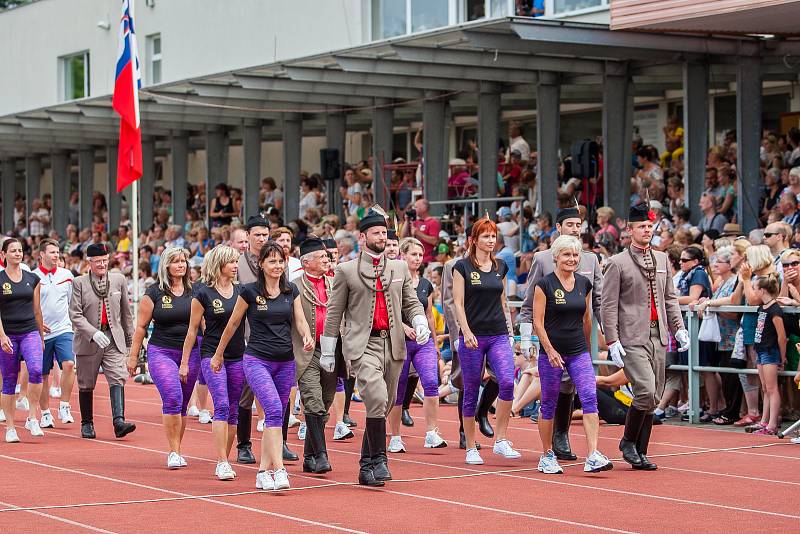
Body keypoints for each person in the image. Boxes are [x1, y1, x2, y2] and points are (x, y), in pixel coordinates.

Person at [321, 211, 429, 487]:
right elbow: (334, 314)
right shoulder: (345, 270)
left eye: (385, 233)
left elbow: (410, 302)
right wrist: (328, 348)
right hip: (362, 345)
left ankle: (365, 465)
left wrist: (419, 319)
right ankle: (380, 459)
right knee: (377, 397)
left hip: (393, 344)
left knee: (385, 403)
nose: (382, 237)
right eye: (377, 233)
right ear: (362, 237)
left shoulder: (399, 268)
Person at [213, 242, 314, 490]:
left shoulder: (291, 291)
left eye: (281, 261)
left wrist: (306, 336)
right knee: (274, 412)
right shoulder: (248, 292)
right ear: (261, 264)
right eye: (272, 261)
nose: (277, 266)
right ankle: (279, 470)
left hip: (285, 362)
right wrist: (218, 355)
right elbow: (233, 325)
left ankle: (262, 472)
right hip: (257, 359)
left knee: (275, 418)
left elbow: (299, 320)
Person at [601, 202, 687, 470]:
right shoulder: (617, 263)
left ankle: (641, 449)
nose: (647, 230)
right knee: (646, 389)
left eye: (650, 226)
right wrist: (612, 340)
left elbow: (669, 299)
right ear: (630, 230)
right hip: (631, 336)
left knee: (655, 394)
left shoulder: (661, 259)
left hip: (658, 335)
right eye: (642, 227)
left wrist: (679, 327)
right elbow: (608, 304)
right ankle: (628, 441)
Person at [518, 206, 603, 462]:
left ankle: (587, 450)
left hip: (578, 345)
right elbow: (532, 307)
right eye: (570, 224)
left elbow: (594, 306)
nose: (576, 229)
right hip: (551, 346)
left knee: (585, 394)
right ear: (559, 228)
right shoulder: (543, 262)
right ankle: (550, 448)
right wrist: (526, 336)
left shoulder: (591, 262)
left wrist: (604, 339)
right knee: (552, 399)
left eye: (579, 225)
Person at [533, 235, 612, 474]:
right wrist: (549, 350)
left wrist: (587, 349)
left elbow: (586, 319)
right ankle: (547, 454)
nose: (572, 259)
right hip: (552, 353)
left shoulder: (583, 284)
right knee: (549, 403)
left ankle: (593, 455)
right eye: (567, 254)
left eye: (575, 255)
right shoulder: (544, 285)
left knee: (589, 397)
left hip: (578, 351)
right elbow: (538, 322)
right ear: (556, 257)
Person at [452, 217, 520, 465]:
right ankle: (471, 446)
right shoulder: (462, 267)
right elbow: (458, 303)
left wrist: (511, 332)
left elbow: (503, 302)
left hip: (498, 334)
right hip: (472, 337)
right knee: (470, 390)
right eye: (486, 236)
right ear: (474, 240)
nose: (491, 240)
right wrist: (466, 331)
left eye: (493, 236)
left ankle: (501, 439)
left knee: (507, 381)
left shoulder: (501, 266)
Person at [127, 247, 199, 468]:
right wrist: (133, 357)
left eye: (184, 261)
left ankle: (178, 446)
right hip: (161, 351)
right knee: (173, 397)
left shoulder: (195, 292)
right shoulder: (154, 292)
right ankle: (173, 451)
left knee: (183, 404)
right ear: (166, 265)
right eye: (176, 261)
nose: (181, 265)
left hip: (190, 352)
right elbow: (140, 327)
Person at [182, 245, 245, 481]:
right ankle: (221, 461)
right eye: (231, 262)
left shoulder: (242, 290)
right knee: (221, 405)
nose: (236, 266)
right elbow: (191, 331)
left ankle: (225, 458)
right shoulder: (203, 294)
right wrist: (185, 362)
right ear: (219, 265)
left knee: (233, 410)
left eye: (236, 262)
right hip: (211, 354)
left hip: (238, 354)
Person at [69, 242, 136, 440]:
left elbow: (126, 313)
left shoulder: (118, 280)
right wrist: (92, 332)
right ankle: (87, 423)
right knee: (86, 383)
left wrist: (131, 342)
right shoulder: (79, 282)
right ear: (89, 262)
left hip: (113, 338)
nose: (102, 265)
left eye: (105, 261)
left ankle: (119, 421)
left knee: (117, 376)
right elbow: (75, 314)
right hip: (89, 340)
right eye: (97, 261)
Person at [290, 237, 344, 472]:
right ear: (306, 262)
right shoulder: (294, 286)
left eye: (327, 256)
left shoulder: (336, 283)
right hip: (307, 351)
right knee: (313, 399)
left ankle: (309, 455)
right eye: (321, 257)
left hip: (332, 349)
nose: (327, 259)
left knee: (327, 399)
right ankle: (321, 456)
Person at [387, 238, 446, 453]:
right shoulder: (394, 280)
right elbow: (389, 311)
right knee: (398, 389)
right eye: (413, 254)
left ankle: (431, 432)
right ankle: (394, 436)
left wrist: (434, 339)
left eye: (420, 255)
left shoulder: (425, 284)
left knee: (431, 382)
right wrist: (404, 328)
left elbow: (429, 313)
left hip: (423, 342)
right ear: (403, 255)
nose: (417, 259)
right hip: (400, 341)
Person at [233, 216, 271, 465]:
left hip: (273, 333)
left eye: (265, 234)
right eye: (257, 235)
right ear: (248, 236)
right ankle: (243, 445)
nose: (261, 239)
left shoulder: (275, 261)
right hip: (246, 335)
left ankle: (281, 444)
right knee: (245, 394)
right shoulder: (237, 264)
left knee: (278, 393)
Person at [0, 239, 46, 442]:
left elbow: (37, 310)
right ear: (3, 255)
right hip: (8, 334)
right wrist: (1, 336)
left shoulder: (33, 278)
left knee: (36, 369)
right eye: (13, 251)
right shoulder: (0, 280)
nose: (17, 254)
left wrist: (41, 336)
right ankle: (10, 427)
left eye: (20, 250)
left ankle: (32, 417)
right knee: (9, 379)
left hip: (30, 332)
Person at [34, 238, 76, 428]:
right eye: (52, 252)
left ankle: (64, 405)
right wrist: (38, 324)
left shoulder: (67, 275)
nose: (56, 255)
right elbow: (30, 306)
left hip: (63, 329)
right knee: (42, 375)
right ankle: (44, 413)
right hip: (41, 333)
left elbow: (71, 302)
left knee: (68, 364)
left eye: (57, 252)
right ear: (41, 254)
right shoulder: (33, 277)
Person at [750, 274, 786, 436]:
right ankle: (764, 420)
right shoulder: (762, 308)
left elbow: (781, 336)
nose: (753, 292)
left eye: (755, 289)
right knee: (765, 388)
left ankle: (772, 424)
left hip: (771, 351)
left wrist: (782, 356)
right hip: (761, 349)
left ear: (762, 290)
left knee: (772, 388)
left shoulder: (774, 309)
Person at [401, 199, 441, 264]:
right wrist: (407, 221)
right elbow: (403, 237)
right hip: (414, 259)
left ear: (424, 208)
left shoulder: (433, 222)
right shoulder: (416, 222)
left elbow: (435, 241)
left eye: (416, 207)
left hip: (427, 260)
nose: (414, 209)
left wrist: (418, 233)